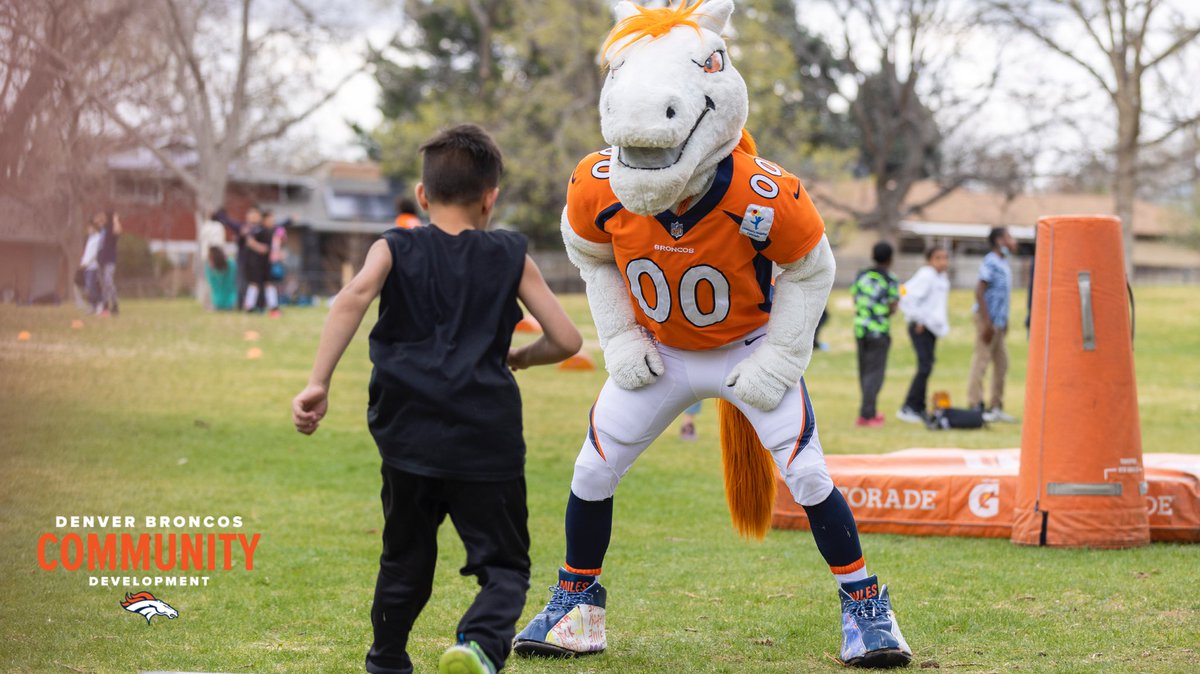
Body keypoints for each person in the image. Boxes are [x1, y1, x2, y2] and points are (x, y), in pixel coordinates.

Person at [291, 124, 582, 674]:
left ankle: (387, 660)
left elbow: (352, 297)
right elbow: (567, 339)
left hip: (408, 438)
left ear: (423, 196)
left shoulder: (393, 246)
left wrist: (318, 382)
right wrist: (521, 356)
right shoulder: (510, 254)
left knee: (405, 559)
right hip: (485, 441)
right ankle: (476, 645)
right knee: (505, 569)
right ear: (490, 198)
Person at [897, 245, 950, 423]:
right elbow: (904, 293)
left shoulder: (941, 277)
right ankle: (909, 407)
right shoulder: (926, 275)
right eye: (938, 258)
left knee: (927, 366)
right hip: (920, 327)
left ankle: (919, 407)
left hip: (931, 328)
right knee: (925, 366)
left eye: (945, 258)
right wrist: (917, 319)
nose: (943, 262)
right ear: (929, 260)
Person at [969, 227, 1018, 423]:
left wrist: (1003, 322)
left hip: (999, 322)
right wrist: (987, 323)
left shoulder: (1003, 263)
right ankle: (975, 404)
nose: (1012, 241)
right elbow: (980, 291)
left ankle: (996, 405)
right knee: (981, 361)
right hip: (987, 320)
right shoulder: (990, 261)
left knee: (1002, 363)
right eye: (1009, 237)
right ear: (999, 240)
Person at [850, 241, 899, 427]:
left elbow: (855, 298)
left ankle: (868, 411)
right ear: (890, 259)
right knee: (875, 374)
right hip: (879, 331)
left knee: (864, 372)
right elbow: (893, 306)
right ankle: (867, 415)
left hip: (861, 329)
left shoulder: (862, 275)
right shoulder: (889, 279)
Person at [96, 211, 122, 316]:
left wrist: (115, 219)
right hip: (101, 260)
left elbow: (118, 231)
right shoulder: (102, 230)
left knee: (108, 280)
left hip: (110, 260)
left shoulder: (111, 229)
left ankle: (115, 303)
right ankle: (105, 306)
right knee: (104, 284)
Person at [79, 218, 104, 313]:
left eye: (90, 227)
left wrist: (86, 263)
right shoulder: (90, 239)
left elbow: (93, 254)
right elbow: (86, 253)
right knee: (88, 288)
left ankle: (99, 304)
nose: (88, 229)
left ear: (94, 227)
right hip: (87, 267)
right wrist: (82, 262)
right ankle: (93, 306)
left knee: (91, 286)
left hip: (93, 266)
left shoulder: (98, 238)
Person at [205, 246, 238, 311]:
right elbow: (213, 286)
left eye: (211, 259)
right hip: (217, 302)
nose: (210, 262)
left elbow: (233, 285)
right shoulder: (209, 268)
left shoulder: (231, 265)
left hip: (231, 301)